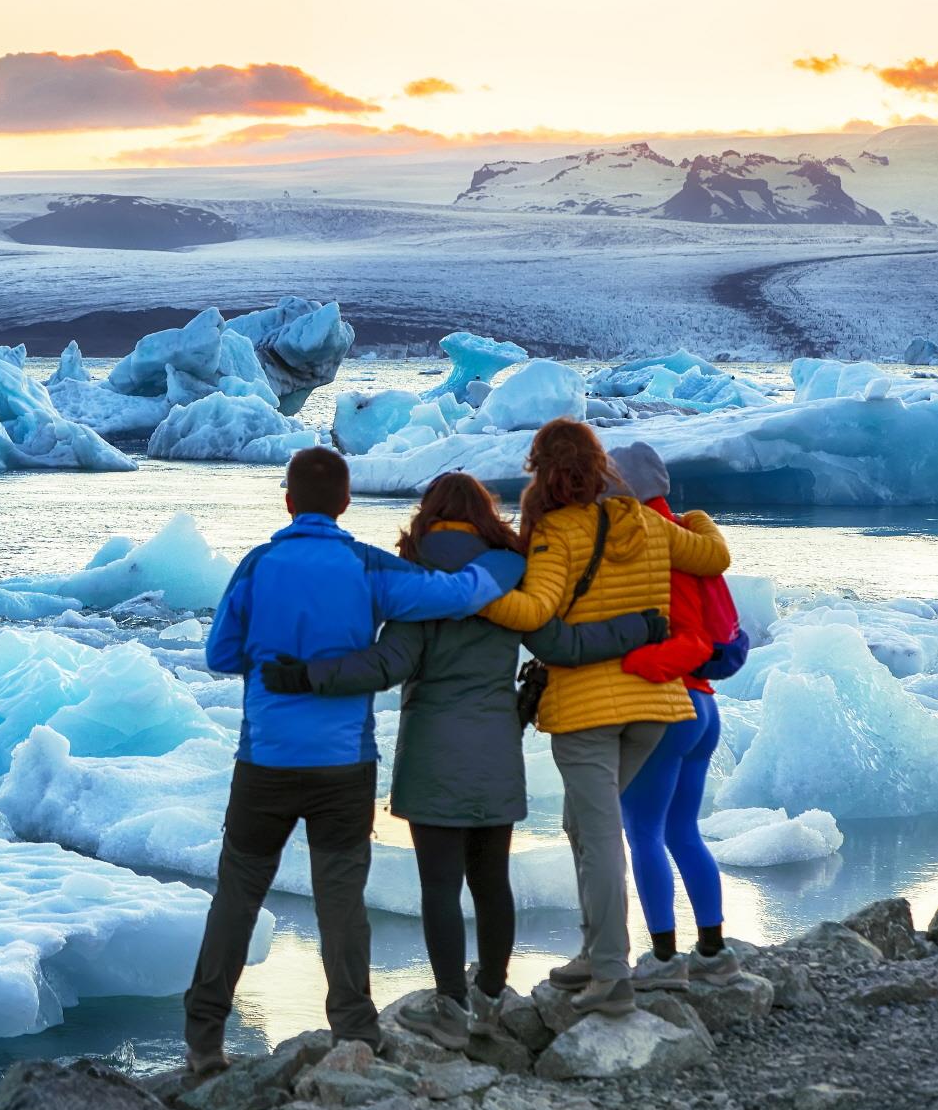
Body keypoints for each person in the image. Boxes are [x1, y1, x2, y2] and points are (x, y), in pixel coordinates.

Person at [274, 472, 666, 1049]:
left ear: (428, 517)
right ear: (485, 516)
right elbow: (565, 645)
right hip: (496, 750)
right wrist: (641, 626)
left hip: (434, 753)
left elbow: (387, 665)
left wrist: (308, 674)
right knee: (491, 881)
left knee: (439, 885)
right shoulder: (510, 580)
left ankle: (449, 1010)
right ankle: (489, 997)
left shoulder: (417, 584)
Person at [183, 447, 523, 1074]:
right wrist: (509, 561)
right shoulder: (367, 566)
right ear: (345, 504)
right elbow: (454, 595)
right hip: (343, 765)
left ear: (288, 501)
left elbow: (221, 655)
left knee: (237, 895)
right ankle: (355, 1030)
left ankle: (205, 1041)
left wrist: (272, 656)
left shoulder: (258, 565)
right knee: (341, 901)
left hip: (266, 761)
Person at [478, 420, 730, 1017]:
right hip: (654, 707)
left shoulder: (556, 532)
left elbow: (536, 609)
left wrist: (473, 593)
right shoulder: (646, 522)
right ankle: (595, 952)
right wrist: (691, 516)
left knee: (598, 837)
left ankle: (612, 976)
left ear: (543, 470)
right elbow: (713, 555)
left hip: (588, 710)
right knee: (580, 825)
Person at [607, 442, 743, 988]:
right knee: (684, 831)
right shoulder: (692, 538)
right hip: (705, 706)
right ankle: (713, 950)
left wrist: (629, 660)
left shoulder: (649, 546)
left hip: (669, 704)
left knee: (643, 832)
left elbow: (685, 638)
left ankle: (663, 961)